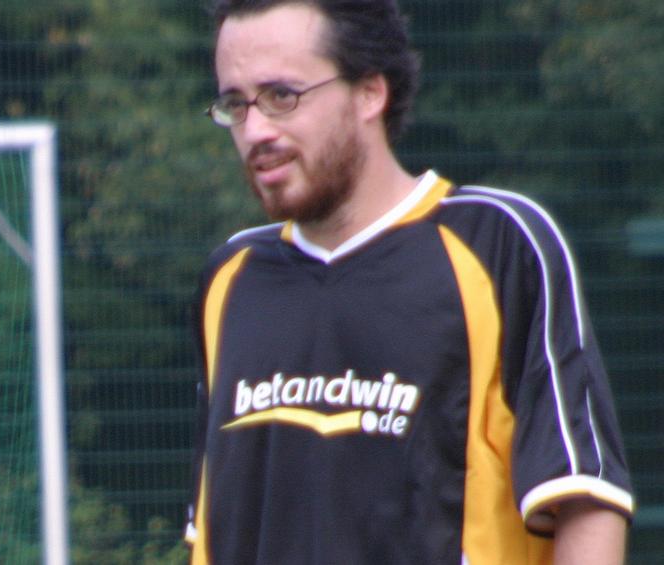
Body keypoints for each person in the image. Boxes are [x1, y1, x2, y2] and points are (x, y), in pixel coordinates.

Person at [184, 1, 635, 563]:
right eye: (235, 104)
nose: (255, 130)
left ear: (370, 92)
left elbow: (585, 497)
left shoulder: (497, 243)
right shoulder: (230, 280)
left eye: (281, 96)